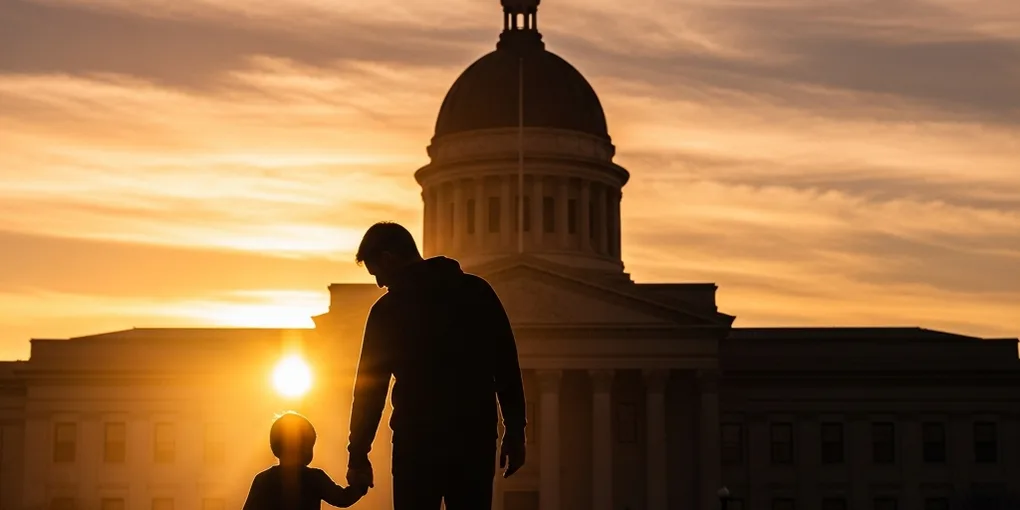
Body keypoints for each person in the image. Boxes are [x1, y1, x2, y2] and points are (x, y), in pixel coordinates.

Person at [345, 222, 527, 510]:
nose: (379, 283)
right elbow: (506, 368)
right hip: (474, 438)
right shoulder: (478, 292)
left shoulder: (388, 311)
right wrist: (515, 432)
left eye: (376, 273)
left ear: (388, 259)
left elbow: (370, 391)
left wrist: (358, 455)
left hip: (416, 442)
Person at [242, 412, 367, 510]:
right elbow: (343, 499)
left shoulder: (263, 480)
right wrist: (361, 485)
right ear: (306, 448)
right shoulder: (315, 478)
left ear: (274, 447)